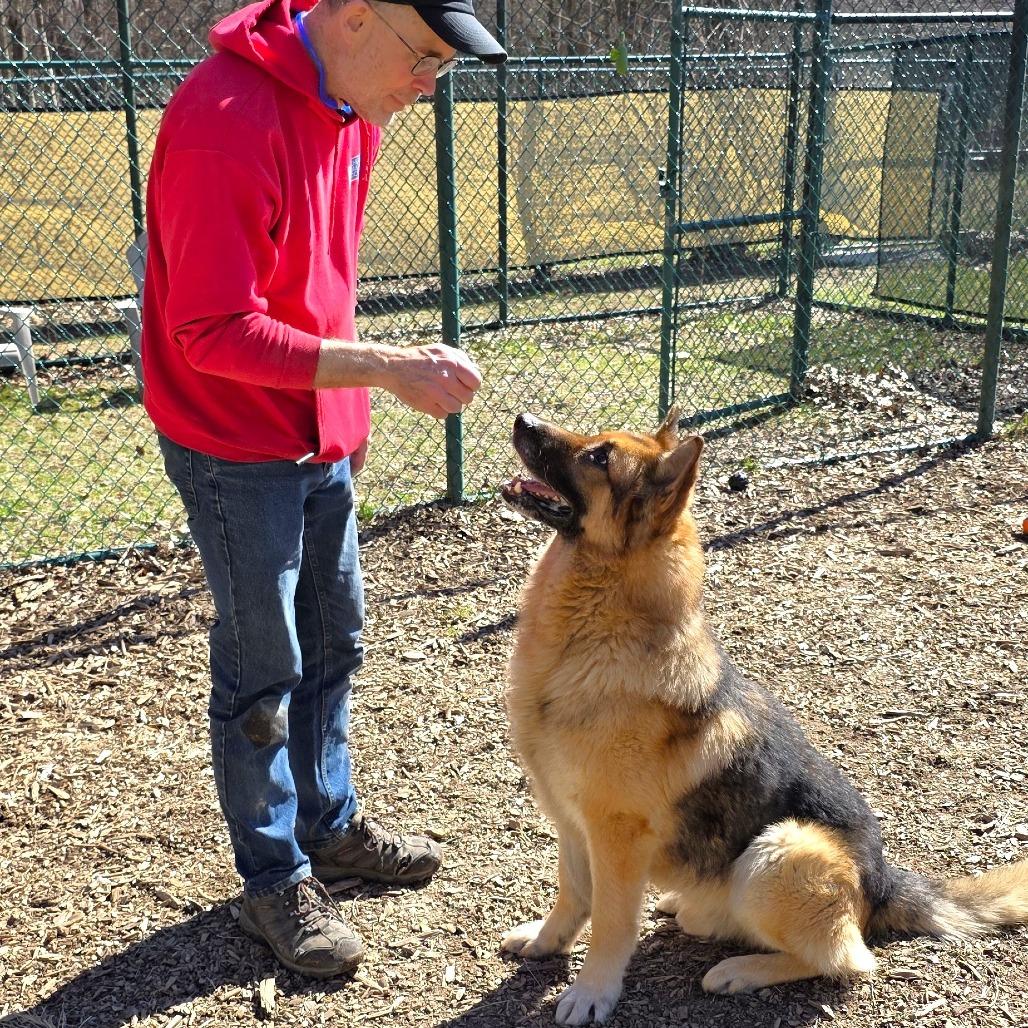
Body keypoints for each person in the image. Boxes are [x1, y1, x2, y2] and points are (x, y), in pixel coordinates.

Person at [140, 0, 506, 979]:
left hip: (314, 436)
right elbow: (209, 330)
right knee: (264, 668)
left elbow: (316, 285)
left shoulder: (350, 109)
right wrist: (384, 369)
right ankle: (274, 876)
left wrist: (343, 423)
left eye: (443, 66)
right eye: (424, 57)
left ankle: (328, 823)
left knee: (334, 638)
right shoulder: (226, 117)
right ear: (353, 16)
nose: (428, 85)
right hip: (233, 443)